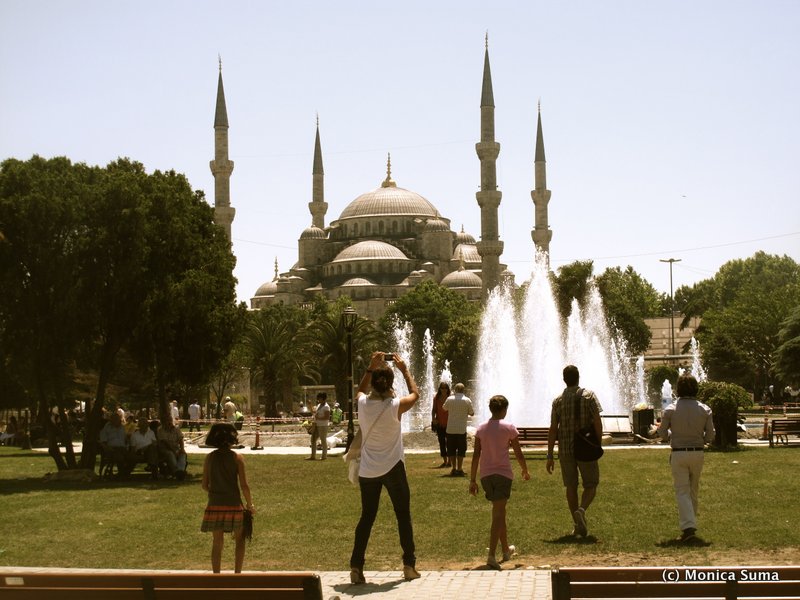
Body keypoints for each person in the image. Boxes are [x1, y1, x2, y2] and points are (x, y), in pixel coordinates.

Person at [345, 351, 421, 584]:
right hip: (393, 467)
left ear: (374, 385)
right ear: (390, 384)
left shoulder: (363, 404)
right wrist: (405, 370)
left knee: (367, 517)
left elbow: (358, 390)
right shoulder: (395, 406)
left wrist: (370, 366)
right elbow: (416, 394)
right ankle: (409, 565)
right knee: (403, 516)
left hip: (368, 469)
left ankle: (356, 566)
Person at [469, 394, 530, 569]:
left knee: (500, 511)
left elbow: (475, 456)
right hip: (503, 475)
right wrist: (524, 470)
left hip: (486, 476)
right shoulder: (509, 427)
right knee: (497, 514)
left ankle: (505, 550)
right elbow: (518, 452)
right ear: (504, 409)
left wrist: (473, 480)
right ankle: (491, 556)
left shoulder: (481, 429)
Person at [546, 364, 603, 537]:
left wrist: (549, 455)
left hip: (565, 449)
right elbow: (597, 422)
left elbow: (553, 429)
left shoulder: (557, 401)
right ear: (579, 377)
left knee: (570, 486)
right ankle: (582, 510)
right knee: (591, 484)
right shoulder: (589, 396)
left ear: (564, 380)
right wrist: (597, 443)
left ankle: (577, 524)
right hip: (585, 447)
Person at [657, 374, 715, 543]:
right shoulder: (705, 409)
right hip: (698, 452)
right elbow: (710, 434)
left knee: (682, 490)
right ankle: (691, 524)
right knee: (693, 489)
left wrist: (669, 434)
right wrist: (701, 440)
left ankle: (688, 528)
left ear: (678, 389)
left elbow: (662, 433)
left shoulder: (670, 409)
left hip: (679, 452)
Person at [201, 422, 255, 573]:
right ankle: (237, 573)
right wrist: (250, 505)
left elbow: (204, 485)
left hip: (214, 505)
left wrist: (216, 491)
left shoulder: (210, 458)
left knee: (217, 542)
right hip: (234, 505)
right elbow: (244, 485)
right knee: (240, 540)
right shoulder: (237, 458)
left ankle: (216, 575)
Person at [443, 382, 474, 476]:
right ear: (463, 390)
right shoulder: (467, 400)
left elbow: (444, 408)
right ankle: (460, 468)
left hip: (451, 428)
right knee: (461, 450)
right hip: (461, 429)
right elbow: (472, 413)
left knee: (451, 449)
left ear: (455, 390)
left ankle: (453, 468)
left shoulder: (450, 399)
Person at [99, 411, 131, 476]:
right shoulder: (106, 429)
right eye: (116, 419)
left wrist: (128, 444)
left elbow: (126, 439)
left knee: (132, 457)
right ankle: (122, 475)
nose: (118, 421)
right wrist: (108, 448)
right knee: (119, 456)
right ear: (111, 420)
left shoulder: (122, 428)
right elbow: (103, 442)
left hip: (123, 448)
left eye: (119, 419)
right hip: (112, 449)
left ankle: (125, 473)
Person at [157, 415, 187, 480]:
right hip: (164, 449)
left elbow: (180, 439)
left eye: (170, 420)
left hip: (176, 448)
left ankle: (180, 471)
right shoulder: (160, 430)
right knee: (170, 454)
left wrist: (182, 449)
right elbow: (165, 442)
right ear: (163, 422)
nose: (169, 422)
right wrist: (174, 451)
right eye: (167, 420)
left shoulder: (176, 429)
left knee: (182, 454)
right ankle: (177, 471)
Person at [431, 382, 451, 468]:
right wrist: (433, 418)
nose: (443, 390)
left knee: (450, 443)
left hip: (450, 424)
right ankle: (445, 461)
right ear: (439, 389)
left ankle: (450, 461)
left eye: (445, 388)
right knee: (442, 442)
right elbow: (434, 409)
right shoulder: (436, 398)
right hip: (440, 424)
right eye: (442, 388)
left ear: (447, 389)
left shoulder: (450, 398)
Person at [309, 392, 331, 460]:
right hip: (317, 425)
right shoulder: (319, 405)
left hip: (323, 426)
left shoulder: (326, 407)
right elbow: (314, 412)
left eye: (319, 398)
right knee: (313, 440)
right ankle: (313, 456)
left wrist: (318, 418)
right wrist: (310, 405)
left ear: (323, 398)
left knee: (323, 440)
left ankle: (324, 456)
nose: (318, 399)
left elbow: (327, 417)